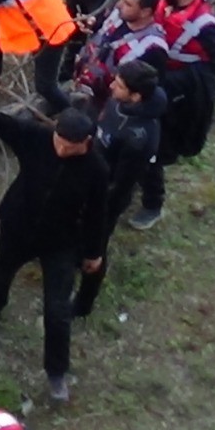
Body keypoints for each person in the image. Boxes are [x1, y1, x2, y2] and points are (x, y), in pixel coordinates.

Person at [0, 69, 108, 403]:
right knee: (1, 272)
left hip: (61, 242)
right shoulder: (37, 137)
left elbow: (97, 215)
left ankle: (56, 373)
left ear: (86, 143)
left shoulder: (97, 169)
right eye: (59, 140)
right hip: (19, 224)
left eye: (70, 146)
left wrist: (93, 252)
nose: (61, 148)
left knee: (57, 309)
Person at [133, 0, 215, 231]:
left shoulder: (205, 24)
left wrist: (172, 81)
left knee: (156, 147)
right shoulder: (167, 5)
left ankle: (153, 203)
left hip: (178, 92)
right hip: (155, 80)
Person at [73, 61, 164, 317]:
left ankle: (84, 302)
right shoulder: (118, 102)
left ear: (135, 96)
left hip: (105, 198)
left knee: (96, 246)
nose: (112, 86)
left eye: (119, 85)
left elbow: (121, 185)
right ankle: (74, 256)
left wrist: (96, 204)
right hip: (89, 179)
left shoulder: (140, 138)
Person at [70, 0, 168, 111]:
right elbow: (99, 31)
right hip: (80, 86)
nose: (120, 5)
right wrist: (90, 23)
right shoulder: (117, 14)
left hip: (105, 107)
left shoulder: (153, 48)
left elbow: (144, 92)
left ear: (145, 12)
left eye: (128, 4)